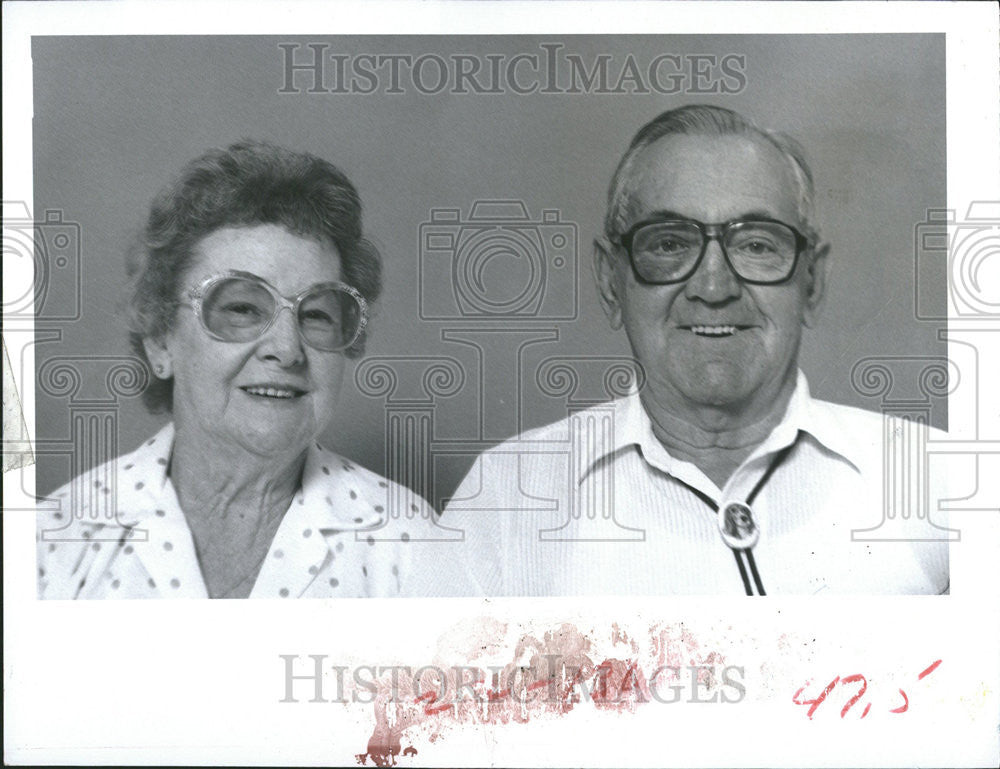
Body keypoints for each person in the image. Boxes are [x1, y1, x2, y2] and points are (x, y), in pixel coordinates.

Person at [435, 105, 952, 596]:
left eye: (756, 244)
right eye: (668, 243)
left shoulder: (937, 480)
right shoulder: (507, 497)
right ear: (610, 283)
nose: (713, 286)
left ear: (811, 281)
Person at [37, 140, 431, 599]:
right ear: (161, 340)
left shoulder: (411, 546)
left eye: (318, 315)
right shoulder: (53, 543)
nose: (287, 350)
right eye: (242, 308)